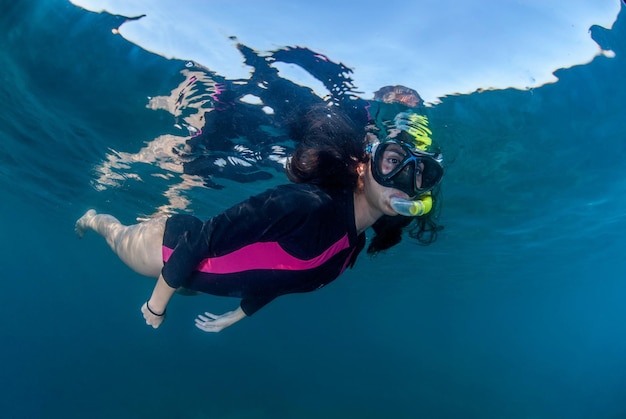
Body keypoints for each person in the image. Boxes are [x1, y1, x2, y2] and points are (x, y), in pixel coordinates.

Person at [75, 105, 444, 332]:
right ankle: (92, 217)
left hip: (189, 275)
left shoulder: (353, 244)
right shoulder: (307, 205)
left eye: (418, 175)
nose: (404, 180)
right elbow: (202, 239)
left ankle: (158, 231)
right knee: (114, 233)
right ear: (363, 168)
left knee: (187, 284)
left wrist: (239, 314)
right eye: (393, 161)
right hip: (166, 251)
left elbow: (281, 276)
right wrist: (156, 307)